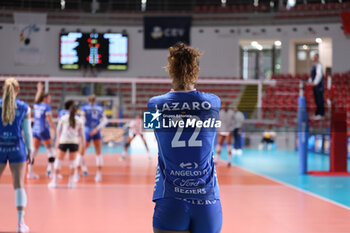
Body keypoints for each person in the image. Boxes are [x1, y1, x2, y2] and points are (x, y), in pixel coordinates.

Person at [148, 42, 222, 233]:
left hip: (171, 198)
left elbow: (154, 133)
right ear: (195, 70)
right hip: (207, 200)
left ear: (170, 70)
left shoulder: (154, 104)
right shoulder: (213, 102)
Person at [0, 78, 33, 232]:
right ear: (18, 90)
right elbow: (27, 132)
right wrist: (30, 149)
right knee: (19, 185)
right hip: (17, 148)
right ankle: (20, 223)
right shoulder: (24, 107)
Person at [48, 103, 85, 188]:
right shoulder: (79, 120)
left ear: (69, 111)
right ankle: (71, 183)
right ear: (76, 112)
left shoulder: (63, 118)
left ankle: (54, 182)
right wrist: (82, 144)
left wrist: (57, 140)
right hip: (74, 143)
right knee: (72, 163)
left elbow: (58, 131)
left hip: (63, 142)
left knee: (58, 161)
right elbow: (81, 135)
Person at [75, 94, 107, 182]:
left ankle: (76, 174)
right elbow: (105, 120)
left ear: (88, 100)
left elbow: (82, 120)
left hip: (87, 131)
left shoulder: (84, 108)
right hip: (96, 131)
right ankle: (99, 174)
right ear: (95, 100)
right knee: (98, 153)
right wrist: (97, 129)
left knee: (81, 152)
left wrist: (81, 130)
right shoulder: (100, 109)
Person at [28, 82, 56, 179]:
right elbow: (50, 120)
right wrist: (56, 130)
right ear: (45, 98)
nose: (50, 99)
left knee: (34, 152)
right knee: (50, 151)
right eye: (49, 98)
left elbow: (36, 99)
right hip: (44, 130)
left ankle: (30, 173)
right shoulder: (47, 107)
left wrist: (39, 90)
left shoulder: (36, 105)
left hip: (35, 130)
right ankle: (51, 172)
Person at [215, 102, 234, 166]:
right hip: (221, 131)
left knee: (229, 146)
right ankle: (216, 160)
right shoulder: (220, 113)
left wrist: (231, 130)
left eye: (225, 105)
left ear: (227, 106)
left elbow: (233, 122)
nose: (224, 107)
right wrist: (218, 130)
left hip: (228, 130)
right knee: (219, 146)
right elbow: (218, 121)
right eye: (223, 106)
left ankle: (229, 161)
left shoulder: (231, 113)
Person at [308, 53, 324, 120]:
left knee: (319, 99)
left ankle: (320, 114)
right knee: (316, 100)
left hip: (318, 85)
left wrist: (315, 82)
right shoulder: (313, 65)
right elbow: (312, 76)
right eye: (313, 57)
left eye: (315, 57)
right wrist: (309, 82)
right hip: (314, 85)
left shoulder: (319, 65)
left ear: (317, 58)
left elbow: (319, 75)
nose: (314, 58)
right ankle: (317, 113)